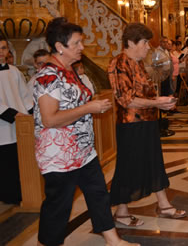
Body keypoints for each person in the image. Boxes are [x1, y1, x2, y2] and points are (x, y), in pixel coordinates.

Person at [32, 18, 137, 246]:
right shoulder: (48, 76)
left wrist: (92, 106)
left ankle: (113, 241)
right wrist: (88, 108)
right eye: (77, 43)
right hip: (59, 155)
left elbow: (75, 104)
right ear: (60, 46)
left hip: (82, 150)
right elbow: (49, 119)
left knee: (98, 194)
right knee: (59, 205)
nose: (82, 47)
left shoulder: (70, 70)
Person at [108, 23, 185, 227]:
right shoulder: (119, 63)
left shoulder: (138, 63)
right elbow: (126, 99)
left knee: (154, 163)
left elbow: (145, 94)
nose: (148, 47)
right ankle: (122, 212)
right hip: (131, 124)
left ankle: (164, 204)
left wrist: (162, 104)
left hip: (147, 122)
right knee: (128, 167)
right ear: (131, 42)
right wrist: (156, 103)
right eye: (144, 43)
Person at [0, 37, 32, 205]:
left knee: (19, 162)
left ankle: (23, 194)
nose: (1, 52)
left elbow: (24, 94)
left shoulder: (14, 71)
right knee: (5, 165)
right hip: (3, 127)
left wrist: (30, 113)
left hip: (20, 125)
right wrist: (12, 114)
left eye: (4, 48)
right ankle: (8, 197)